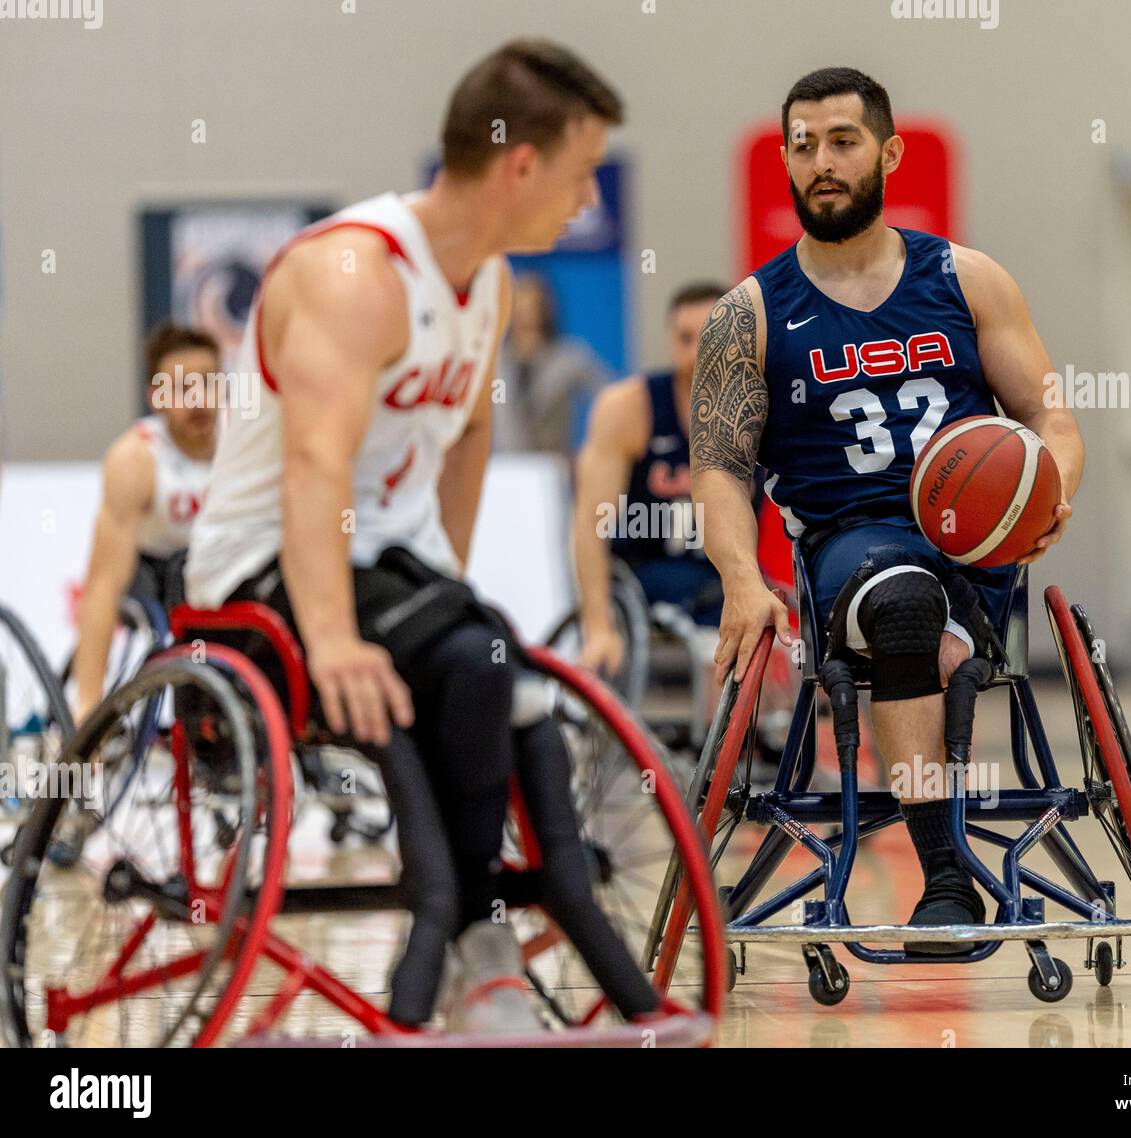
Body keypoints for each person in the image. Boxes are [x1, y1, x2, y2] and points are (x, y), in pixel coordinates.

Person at [186, 40, 659, 1031]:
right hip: (262, 567)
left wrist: (444, 577)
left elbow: (472, 431)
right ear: (520, 164)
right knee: (470, 661)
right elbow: (316, 468)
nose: (584, 200)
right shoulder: (354, 274)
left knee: (497, 665)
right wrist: (334, 639)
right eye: (579, 174)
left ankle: (547, 924)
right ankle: (462, 932)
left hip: (384, 566)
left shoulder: (482, 280)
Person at [689, 67, 1084, 950]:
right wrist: (741, 579)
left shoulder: (968, 280)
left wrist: (1054, 484)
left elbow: (1048, 415)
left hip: (977, 540)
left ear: (888, 152)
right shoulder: (747, 316)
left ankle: (948, 643)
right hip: (848, 546)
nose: (820, 162)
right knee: (901, 600)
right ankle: (946, 876)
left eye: (842, 141)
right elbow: (719, 470)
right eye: (802, 146)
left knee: (927, 595)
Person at [573, 281, 726, 678]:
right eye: (685, 338)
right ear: (669, 341)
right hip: (647, 574)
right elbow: (591, 524)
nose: (696, 353)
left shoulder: (759, 404)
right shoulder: (629, 407)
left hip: (721, 572)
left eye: (709, 337)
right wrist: (597, 626)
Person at [72, 322, 218, 723]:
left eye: (209, 382)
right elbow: (103, 583)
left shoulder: (244, 449)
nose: (200, 399)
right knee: (182, 586)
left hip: (217, 567)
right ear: (157, 398)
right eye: (183, 388)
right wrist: (89, 704)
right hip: (152, 573)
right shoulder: (135, 458)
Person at [493, 274, 610, 455]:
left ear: (546, 308)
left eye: (533, 304)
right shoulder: (494, 361)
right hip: (504, 467)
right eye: (519, 302)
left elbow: (609, 392)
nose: (525, 312)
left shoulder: (568, 357)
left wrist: (594, 450)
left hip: (553, 465)